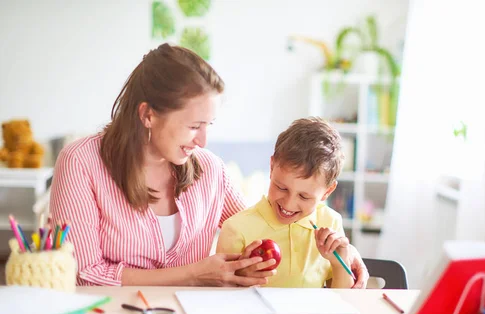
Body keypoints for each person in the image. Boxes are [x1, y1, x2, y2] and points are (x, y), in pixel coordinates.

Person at [49, 43, 369, 287]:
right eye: (193, 126)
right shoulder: (81, 162)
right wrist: (193, 274)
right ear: (147, 115)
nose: (202, 141)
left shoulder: (210, 170)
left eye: (209, 125)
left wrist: (347, 256)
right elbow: (84, 276)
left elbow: (265, 224)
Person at [217, 117, 365, 288]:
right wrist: (241, 278)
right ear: (271, 168)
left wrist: (340, 263)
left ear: (328, 191)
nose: (288, 204)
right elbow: (223, 297)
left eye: (304, 197)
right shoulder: (236, 229)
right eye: (281, 188)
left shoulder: (330, 222)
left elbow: (342, 301)